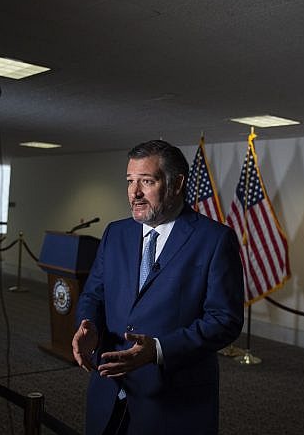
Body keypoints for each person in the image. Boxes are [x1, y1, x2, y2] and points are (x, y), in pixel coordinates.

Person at [72, 139, 244, 435]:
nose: (134, 193)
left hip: (173, 399)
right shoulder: (116, 233)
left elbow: (224, 320)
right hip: (108, 390)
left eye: (146, 181)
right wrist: (88, 325)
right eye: (130, 181)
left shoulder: (214, 240)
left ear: (176, 184)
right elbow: (94, 293)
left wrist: (158, 350)